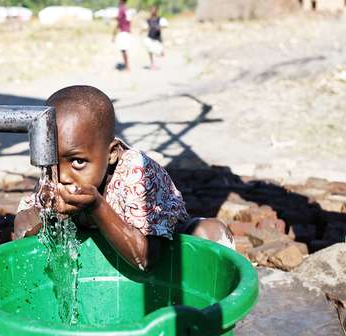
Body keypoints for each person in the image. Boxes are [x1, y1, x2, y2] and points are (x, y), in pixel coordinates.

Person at [13, 85, 234, 271]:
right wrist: (43, 215)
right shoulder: (53, 178)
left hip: (166, 258)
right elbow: (22, 229)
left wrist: (97, 206)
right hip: (109, 261)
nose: (62, 176)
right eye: (51, 162)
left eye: (78, 161)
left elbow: (146, 259)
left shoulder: (137, 174)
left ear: (111, 154)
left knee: (210, 233)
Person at [113, 0, 131, 70]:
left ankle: (127, 67)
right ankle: (127, 65)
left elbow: (119, 22)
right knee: (124, 49)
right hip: (126, 31)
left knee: (123, 49)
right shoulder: (127, 9)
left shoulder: (121, 9)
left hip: (123, 31)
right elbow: (129, 20)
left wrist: (114, 34)